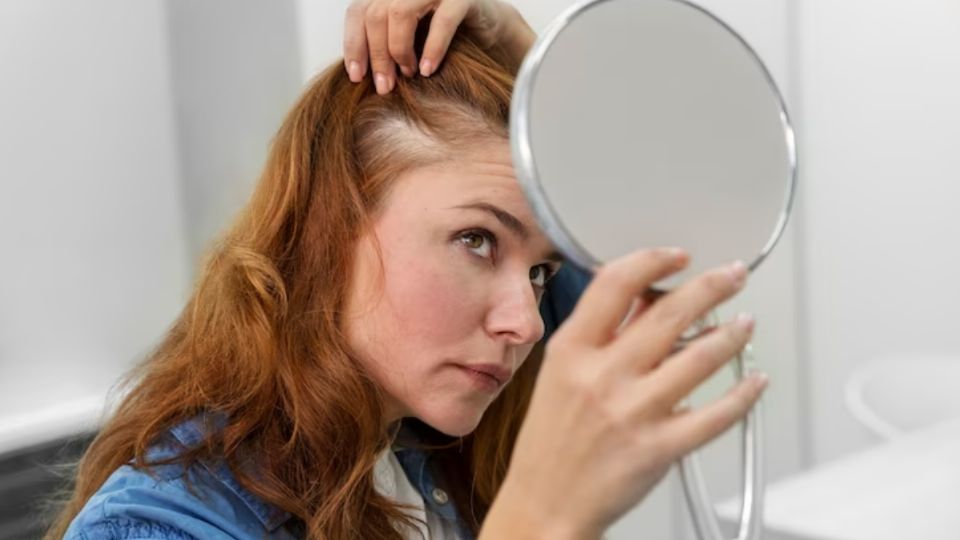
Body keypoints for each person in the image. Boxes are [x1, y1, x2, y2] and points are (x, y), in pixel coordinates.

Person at [49, 1, 767, 538]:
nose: (524, 323)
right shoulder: (159, 525)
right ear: (330, 228)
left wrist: (533, 67)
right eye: (477, 240)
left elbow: (660, 248)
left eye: (542, 273)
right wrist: (537, 520)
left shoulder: (420, 443)